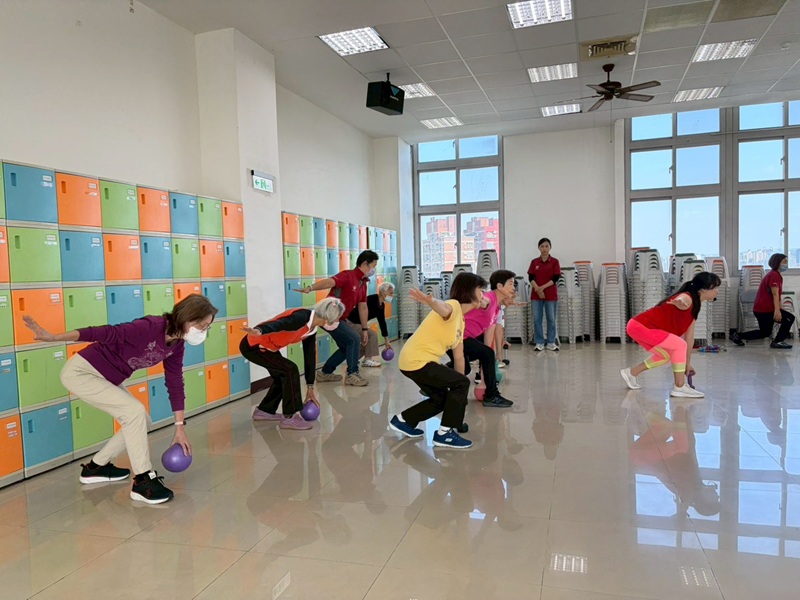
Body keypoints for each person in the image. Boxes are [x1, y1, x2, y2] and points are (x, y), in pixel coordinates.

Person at [23, 294, 218, 505]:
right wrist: (55, 338)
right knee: (134, 412)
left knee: (143, 420)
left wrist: (180, 428)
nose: (203, 331)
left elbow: (175, 382)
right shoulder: (151, 327)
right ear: (187, 317)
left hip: (107, 377)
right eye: (202, 326)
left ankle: (96, 467)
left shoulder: (177, 345)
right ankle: (143, 480)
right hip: (81, 372)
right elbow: (104, 332)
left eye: (207, 327)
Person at [388, 272, 486, 450]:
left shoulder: (460, 322)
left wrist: (460, 392)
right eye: (481, 290)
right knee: (461, 383)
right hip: (417, 360)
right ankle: (444, 434)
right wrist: (431, 301)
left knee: (442, 397)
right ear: (469, 290)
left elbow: (459, 357)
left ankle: (404, 420)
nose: (483, 294)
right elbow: (443, 308)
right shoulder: (453, 306)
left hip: (415, 361)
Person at [241, 297, 346, 429]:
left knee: (282, 375)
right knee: (290, 370)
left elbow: (309, 356)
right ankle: (289, 417)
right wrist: (259, 330)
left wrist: (310, 387)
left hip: (268, 347)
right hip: (254, 346)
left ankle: (264, 410)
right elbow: (278, 324)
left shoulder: (312, 328)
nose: (337, 322)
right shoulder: (301, 317)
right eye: (337, 319)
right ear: (328, 317)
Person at [621, 271, 721, 398]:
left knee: (666, 355)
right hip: (640, 326)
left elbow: (689, 338)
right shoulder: (688, 298)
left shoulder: (694, 308)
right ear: (703, 289)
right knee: (679, 345)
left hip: (638, 327)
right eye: (715, 288)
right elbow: (683, 299)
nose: (717, 292)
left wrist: (687, 364)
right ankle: (679, 386)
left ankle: (631, 373)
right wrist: (679, 301)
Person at [297, 250, 379, 386]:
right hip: (327, 316)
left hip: (340, 318)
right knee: (354, 339)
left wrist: (365, 329)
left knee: (346, 347)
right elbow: (330, 282)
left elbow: (363, 307)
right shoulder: (348, 275)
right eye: (374, 266)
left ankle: (325, 373)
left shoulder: (363, 283)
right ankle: (352, 374)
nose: (374, 270)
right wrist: (310, 288)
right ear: (365, 264)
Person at [454, 269, 516, 408]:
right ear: (499, 286)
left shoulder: (497, 308)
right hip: (458, 337)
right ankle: (491, 395)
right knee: (485, 354)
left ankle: (442, 374)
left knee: (478, 360)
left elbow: (489, 336)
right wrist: (482, 302)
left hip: (467, 337)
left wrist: (485, 372)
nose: (513, 288)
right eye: (511, 284)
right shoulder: (489, 298)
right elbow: (483, 301)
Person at [730, 253, 795, 349]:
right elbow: (775, 294)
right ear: (777, 263)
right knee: (789, 318)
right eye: (784, 262)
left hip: (763, 309)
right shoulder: (774, 275)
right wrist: (777, 311)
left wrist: (779, 309)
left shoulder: (776, 275)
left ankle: (738, 336)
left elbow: (777, 295)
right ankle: (778, 341)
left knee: (765, 332)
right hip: (765, 310)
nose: (786, 264)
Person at [346, 281, 394, 368]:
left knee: (367, 340)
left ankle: (353, 358)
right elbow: (359, 309)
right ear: (384, 293)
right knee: (372, 335)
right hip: (351, 322)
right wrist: (364, 328)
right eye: (390, 293)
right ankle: (367, 360)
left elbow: (382, 323)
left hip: (359, 324)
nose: (392, 295)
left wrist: (387, 341)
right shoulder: (372, 299)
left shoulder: (381, 305)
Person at [527, 237, 561, 352]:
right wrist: (538, 290)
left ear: (550, 247)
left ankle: (551, 342)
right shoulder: (534, 262)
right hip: (536, 296)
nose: (544, 249)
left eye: (546, 246)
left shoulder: (555, 262)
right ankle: (539, 342)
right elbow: (531, 278)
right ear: (539, 248)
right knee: (537, 319)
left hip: (551, 295)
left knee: (551, 319)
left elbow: (555, 278)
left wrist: (542, 288)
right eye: (542, 246)